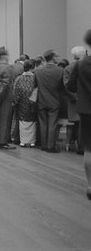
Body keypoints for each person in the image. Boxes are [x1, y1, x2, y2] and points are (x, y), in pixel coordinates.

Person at [66, 30, 91, 200]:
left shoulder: (80, 64)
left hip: (86, 109)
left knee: (89, 149)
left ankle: (90, 185)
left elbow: (71, 86)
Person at [34, 49, 64, 153]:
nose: (58, 58)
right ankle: (51, 146)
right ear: (53, 57)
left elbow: (34, 85)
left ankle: (43, 145)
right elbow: (62, 87)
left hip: (41, 100)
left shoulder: (37, 71)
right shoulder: (60, 70)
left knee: (43, 124)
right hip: (54, 101)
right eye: (57, 56)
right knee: (52, 125)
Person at [63, 46, 87, 154]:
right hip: (86, 100)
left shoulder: (68, 68)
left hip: (74, 102)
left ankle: (80, 148)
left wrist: (75, 97)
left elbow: (66, 85)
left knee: (77, 125)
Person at [13, 60, 38, 147]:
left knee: (22, 122)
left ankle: (22, 141)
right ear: (33, 67)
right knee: (32, 122)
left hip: (21, 103)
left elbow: (15, 91)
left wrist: (15, 102)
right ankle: (32, 142)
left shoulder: (19, 78)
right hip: (33, 103)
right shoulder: (35, 78)